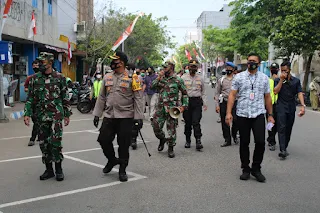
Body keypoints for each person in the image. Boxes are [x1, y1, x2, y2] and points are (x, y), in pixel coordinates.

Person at [92, 51, 144, 182]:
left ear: (122, 62)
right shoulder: (107, 77)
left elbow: (138, 99)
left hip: (126, 117)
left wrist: (138, 118)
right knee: (103, 139)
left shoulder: (133, 78)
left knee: (123, 144)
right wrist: (97, 114)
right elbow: (102, 96)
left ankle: (122, 169)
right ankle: (112, 160)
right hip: (109, 115)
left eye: (115, 60)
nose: (112, 63)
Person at [226, 53, 274, 183]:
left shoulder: (264, 78)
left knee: (260, 142)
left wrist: (270, 115)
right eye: (249, 60)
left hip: (258, 113)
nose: (250, 62)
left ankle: (256, 168)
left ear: (258, 64)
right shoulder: (239, 77)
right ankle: (245, 169)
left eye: (253, 61)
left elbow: (268, 97)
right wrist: (228, 113)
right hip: (242, 114)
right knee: (244, 143)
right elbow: (232, 95)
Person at [24, 52, 72, 181]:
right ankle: (49, 169)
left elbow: (65, 98)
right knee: (43, 144)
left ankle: (59, 169)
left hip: (56, 115)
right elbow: (30, 99)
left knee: (55, 142)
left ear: (50, 63)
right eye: (39, 62)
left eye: (42, 62)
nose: (40, 64)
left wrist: (67, 115)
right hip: (41, 116)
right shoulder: (34, 79)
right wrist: (27, 113)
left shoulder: (60, 78)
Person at [151, 61, 188, 158]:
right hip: (160, 107)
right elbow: (152, 86)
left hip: (172, 108)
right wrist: (159, 77)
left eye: (165, 67)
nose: (163, 69)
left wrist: (183, 106)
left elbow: (185, 93)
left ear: (171, 67)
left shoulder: (178, 80)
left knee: (171, 130)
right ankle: (162, 139)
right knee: (156, 127)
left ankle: (171, 147)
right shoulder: (160, 78)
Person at [274, 61, 306, 160]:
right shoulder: (278, 80)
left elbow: (299, 93)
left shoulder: (296, 81)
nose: (284, 72)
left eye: (286, 71)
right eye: (282, 70)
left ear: (289, 70)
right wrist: (281, 81)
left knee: (288, 128)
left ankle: (285, 146)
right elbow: (275, 91)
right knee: (281, 128)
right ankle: (282, 150)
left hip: (291, 107)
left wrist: (303, 105)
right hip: (281, 107)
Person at [181, 59, 207, 150]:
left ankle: (198, 140)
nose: (193, 68)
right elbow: (180, 92)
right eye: (192, 66)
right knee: (187, 123)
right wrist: (180, 104)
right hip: (187, 102)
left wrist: (205, 103)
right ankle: (188, 140)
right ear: (188, 67)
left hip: (197, 102)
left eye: (195, 66)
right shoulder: (183, 78)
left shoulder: (200, 78)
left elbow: (203, 91)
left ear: (197, 68)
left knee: (196, 122)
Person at [215, 62, 238, 147]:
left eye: (230, 68)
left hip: (235, 102)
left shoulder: (237, 79)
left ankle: (234, 134)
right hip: (224, 102)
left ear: (233, 69)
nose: (228, 69)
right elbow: (217, 93)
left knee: (236, 120)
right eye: (227, 67)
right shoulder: (221, 80)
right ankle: (227, 139)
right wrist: (217, 105)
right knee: (224, 122)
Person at [24, 59, 41, 146]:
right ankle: (37, 135)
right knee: (35, 120)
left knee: (38, 121)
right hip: (32, 102)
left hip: (42, 103)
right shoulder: (30, 78)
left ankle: (33, 138)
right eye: (34, 66)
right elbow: (25, 88)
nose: (35, 67)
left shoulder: (43, 78)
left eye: (37, 65)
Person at [266, 63, 279, 151]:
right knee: (270, 123)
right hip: (269, 105)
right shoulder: (267, 80)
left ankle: (271, 137)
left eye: (275, 68)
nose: (273, 70)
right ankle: (271, 141)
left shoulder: (281, 80)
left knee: (278, 124)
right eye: (272, 68)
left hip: (278, 105)